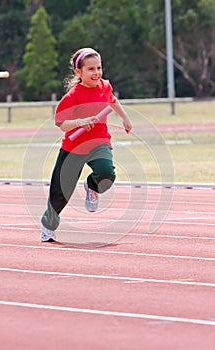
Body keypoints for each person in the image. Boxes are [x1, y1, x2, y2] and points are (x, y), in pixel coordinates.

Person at [41, 47, 132, 242]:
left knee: (107, 173)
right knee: (60, 191)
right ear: (79, 72)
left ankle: (92, 187)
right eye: (90, 69)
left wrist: (125, 118)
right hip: (74, 147)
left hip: (99, 142)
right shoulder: (72, 97)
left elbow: (112, 101)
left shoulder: (105, 86)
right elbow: (61, 125)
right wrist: (79, 122)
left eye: (99, 67)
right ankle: (48, 226)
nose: (96, 72)